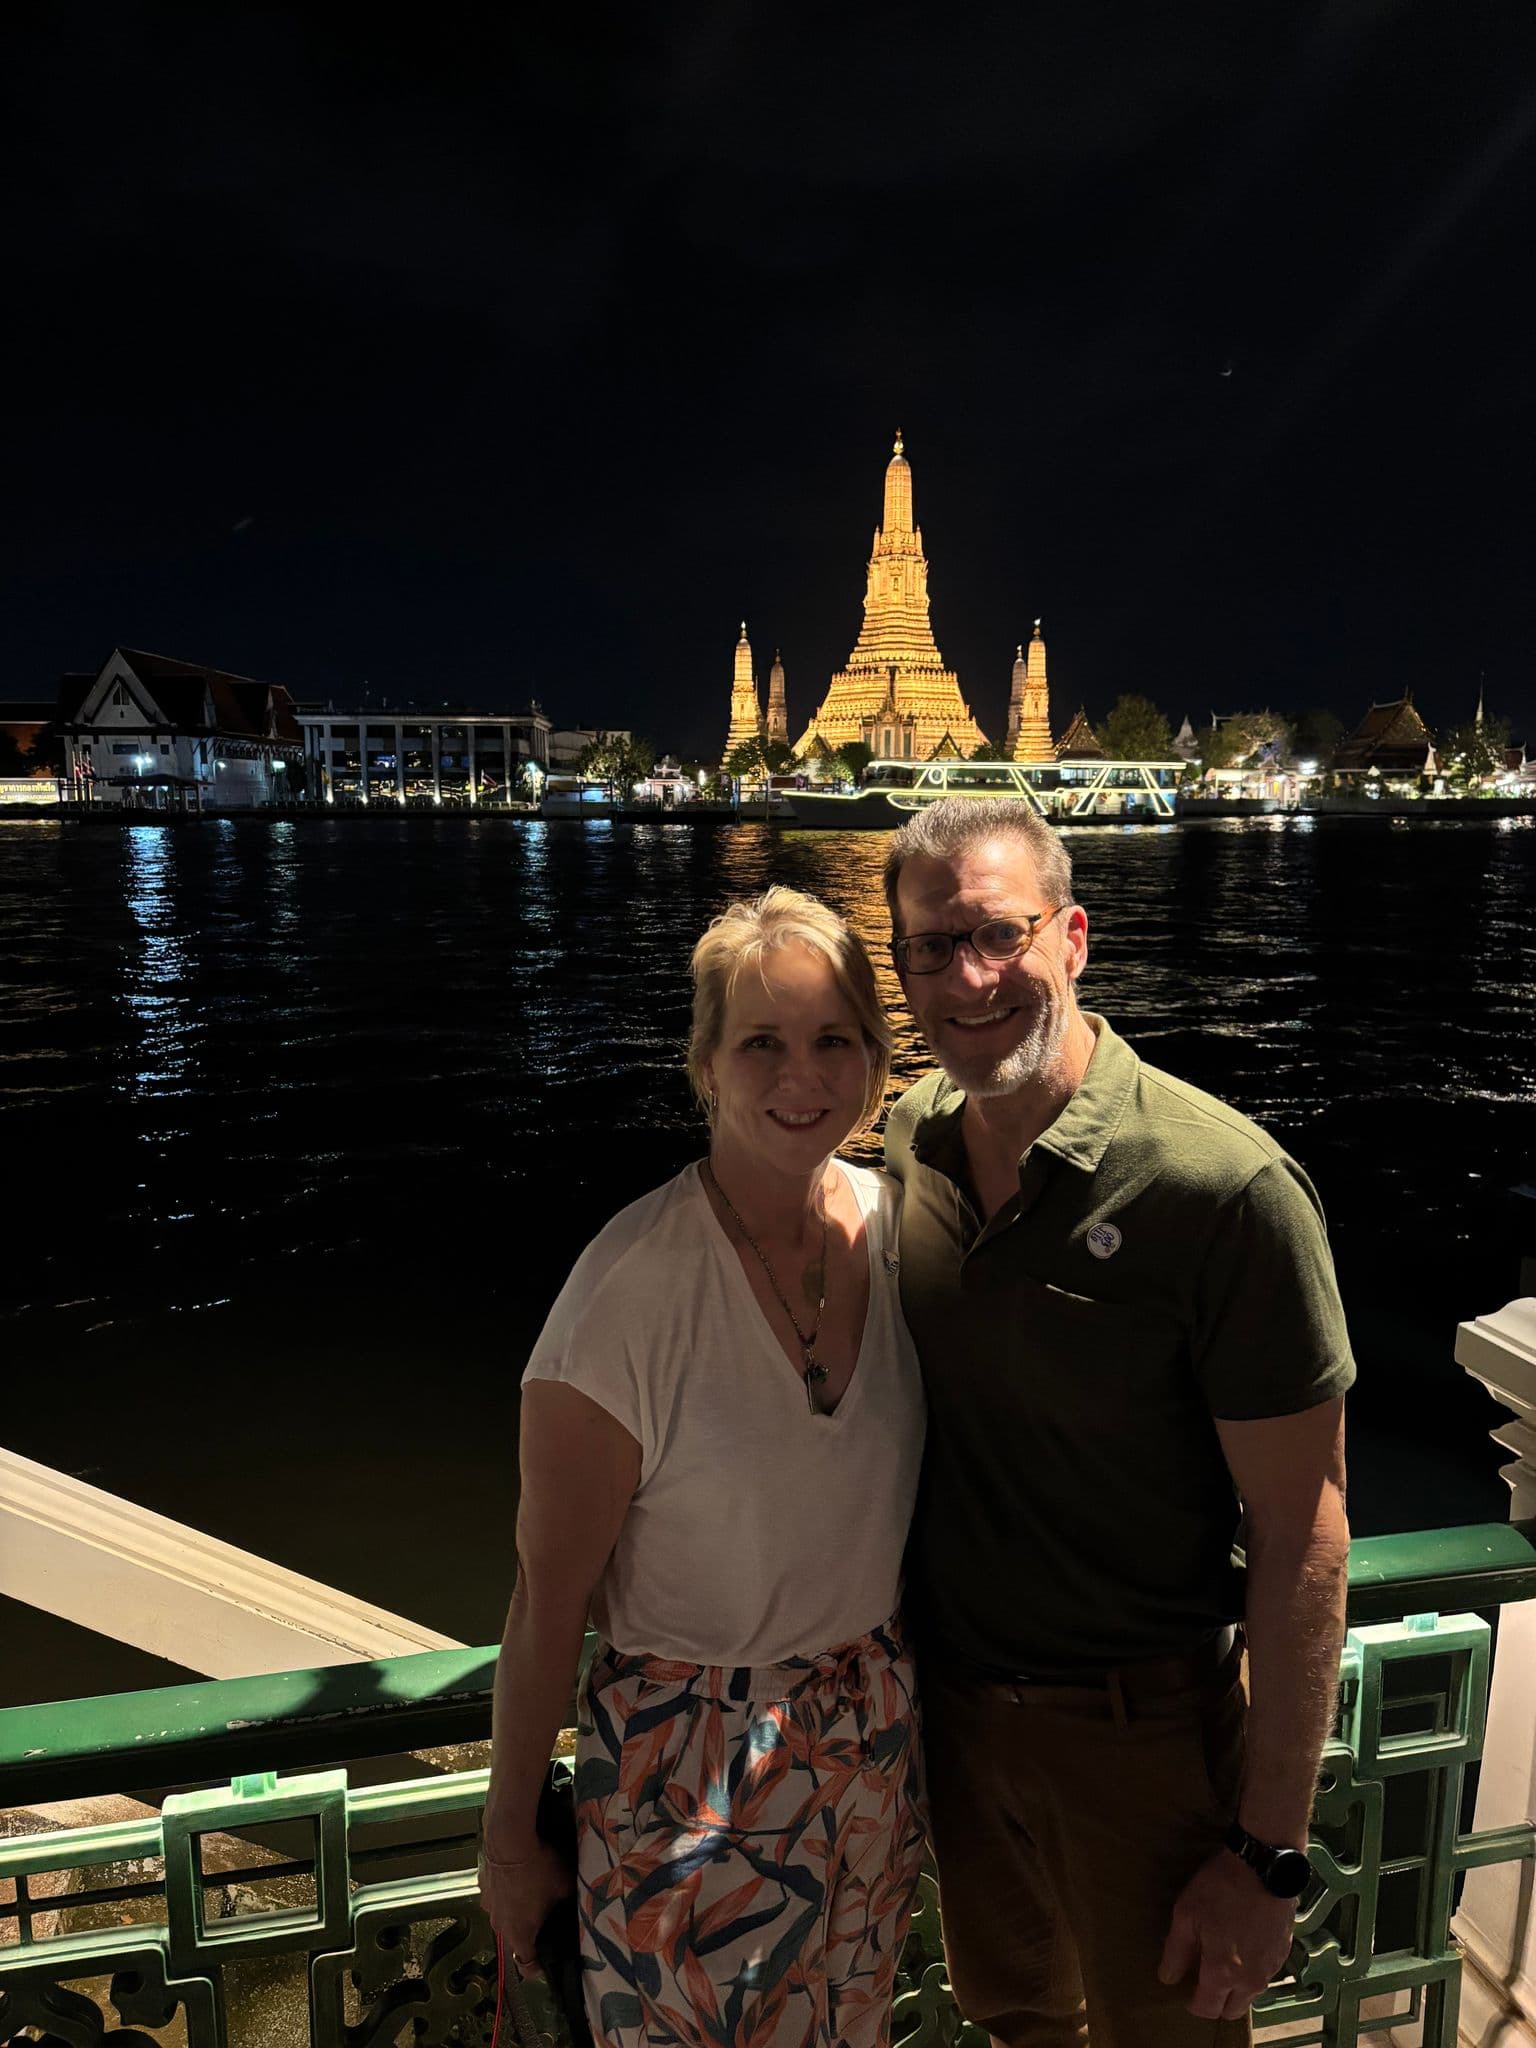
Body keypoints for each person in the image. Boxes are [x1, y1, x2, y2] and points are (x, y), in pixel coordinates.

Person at [881, 798, 1354, 2048]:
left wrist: (1268, 1850)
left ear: (1075, 937)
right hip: (963, 1718)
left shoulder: (1222, 1188)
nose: (966, 977)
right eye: (930, 947)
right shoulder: (910, 1139)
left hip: (1147, 1738)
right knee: (1018, 2019)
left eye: (998, 934)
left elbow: (1305, 1533)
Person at [479, 886, 928, 2048]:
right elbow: (545, 1598)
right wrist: (507, 1835)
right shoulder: (627, 1296)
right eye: (763, 1042)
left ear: (877, 1060)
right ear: (706, 1064)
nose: (803, 1074)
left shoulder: (899, 1235)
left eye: (836, 1038)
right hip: (688, 1760)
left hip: (868, 1745)